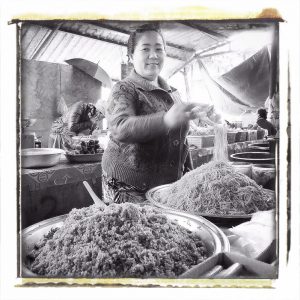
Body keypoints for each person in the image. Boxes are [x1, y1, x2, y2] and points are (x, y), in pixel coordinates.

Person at [102, 24, 215, 204]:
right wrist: (166, 119)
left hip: (167, 188)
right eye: (145, 49)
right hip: (128, 188)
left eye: (159, 49)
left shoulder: (173, 93)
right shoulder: (124, 88)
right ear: (131, 57)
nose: (153, 55)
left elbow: (180, 142)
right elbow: (119, 128)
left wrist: (190, 177)